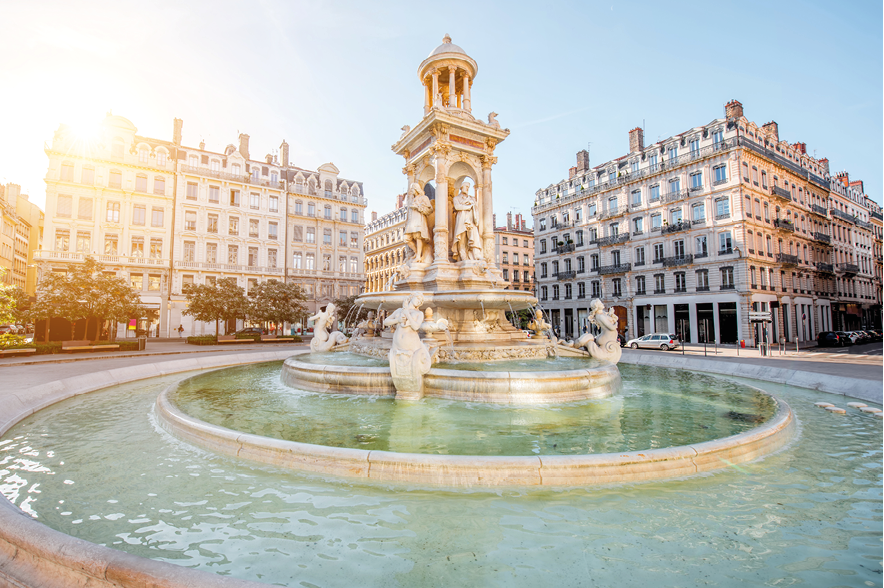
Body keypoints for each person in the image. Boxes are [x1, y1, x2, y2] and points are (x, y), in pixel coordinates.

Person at [451, 182, 482, 261]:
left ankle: (476, 254)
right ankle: (463, 257)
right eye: (466, 186)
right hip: (461, 218)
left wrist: (472, 204)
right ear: (461, 187)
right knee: (461, 238)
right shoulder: (456, 198)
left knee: (473, 237)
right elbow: (457, 207)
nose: (467, 188)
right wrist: (468, 206)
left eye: (468, 187)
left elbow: (476, 207)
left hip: (470, 219)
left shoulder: (471, 198)